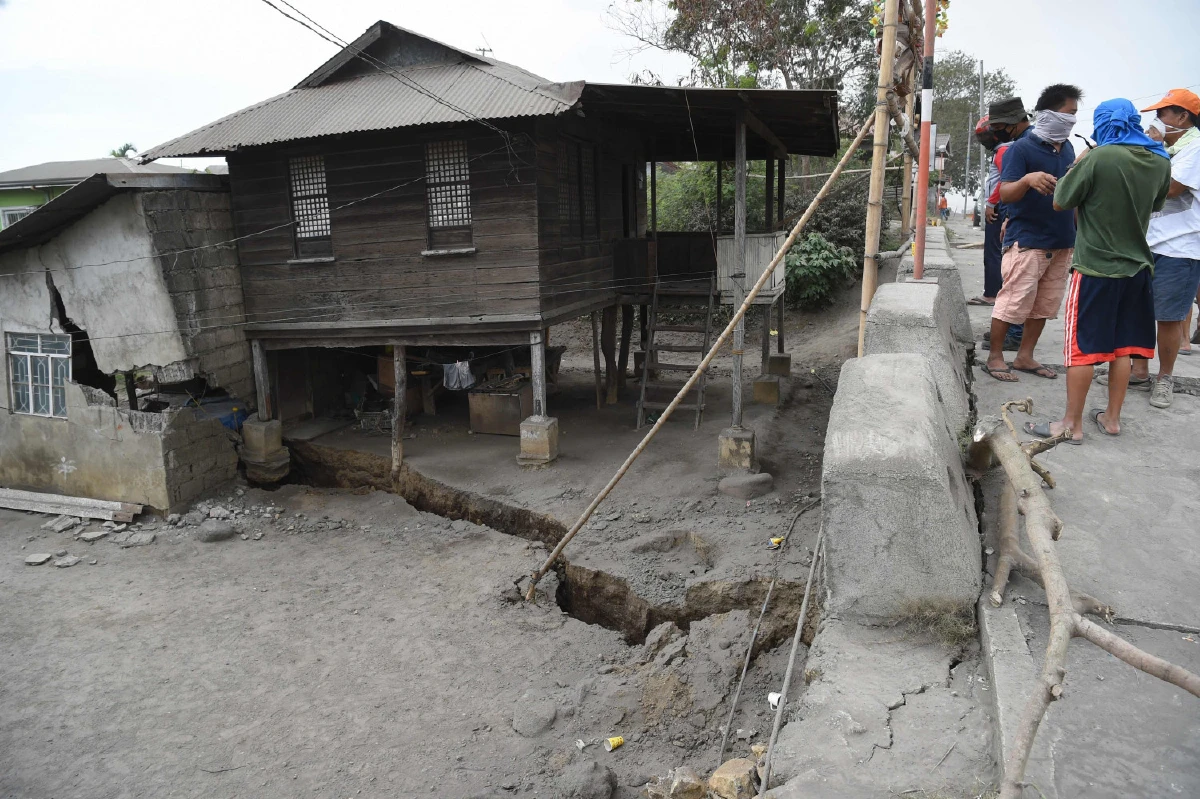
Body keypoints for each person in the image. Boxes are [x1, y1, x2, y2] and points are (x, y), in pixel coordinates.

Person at [1023, 99, 1171, 442]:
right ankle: (1112, 419)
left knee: (1083, 348)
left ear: (1105, 124)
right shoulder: (1160, 160)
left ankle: (1070, 425)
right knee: (1122, 349)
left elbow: (1061, 199)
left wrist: (1080, 161)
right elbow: (1158, 203)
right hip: (1137, 270)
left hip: (1095, 269)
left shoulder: (1100, 156)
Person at [982, 84, 1083, 382]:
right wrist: (1027, 179)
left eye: (1076, 114)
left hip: (1062, 240)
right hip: (1028, 240)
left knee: (1044, 306)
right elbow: (1007, 193)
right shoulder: (1020, 149)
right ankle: (995, 357)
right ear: (1048, 113)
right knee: (1012, 301)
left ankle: (1025, 357)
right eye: (1069, 113)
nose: (1072, 120)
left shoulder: (1069, 149)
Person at [1123, 88, 1200, 407]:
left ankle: (1164, 378)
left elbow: (1169, 188)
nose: (1156, 122)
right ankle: (1139, 372)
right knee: (1137, 311)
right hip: (1146, 244)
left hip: (1179, 249)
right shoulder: (1169, 149)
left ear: (1182, 117)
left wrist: (1149, 148)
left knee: (1168, 318)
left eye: (1162, 115)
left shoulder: (1194, 148)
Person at [969, 101, 1025, 351]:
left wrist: (991, 204)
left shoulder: (1005, 150)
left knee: (994, 253)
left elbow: (1003, 182)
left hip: (1000, 209)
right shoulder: (1007, 148)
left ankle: (993, 294)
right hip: (1003, 208)